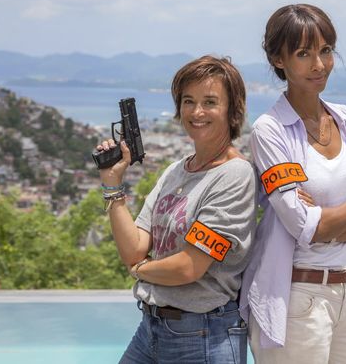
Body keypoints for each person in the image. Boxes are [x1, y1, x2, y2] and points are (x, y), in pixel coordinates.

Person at [240, 4, 346, 363]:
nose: (319, 64)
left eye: (326, 50)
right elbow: (305, 226)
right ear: (278, 60)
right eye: (304, 54)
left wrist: (327, 222)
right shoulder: (270, 131)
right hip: (298, 298)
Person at [96, 55, 256, 364]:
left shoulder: (234, 175)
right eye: (188, 101)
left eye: (210, 102)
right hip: (151, 328)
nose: (197, 112)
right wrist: (112, 183)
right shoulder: (175, 171)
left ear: (232, 110)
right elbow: (134, 249)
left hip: (204, 335)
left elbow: (188, 268)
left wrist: (139, 271)